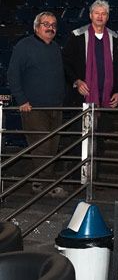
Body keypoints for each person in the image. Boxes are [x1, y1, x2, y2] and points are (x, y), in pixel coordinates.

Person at [8, 12, 66, 197]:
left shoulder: (55, 48)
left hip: (56, 107)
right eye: (46, 24)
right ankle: (49, 185)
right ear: (36, 27)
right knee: (42, 148)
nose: (50, 27)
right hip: (34, 108)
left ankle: (37, 182)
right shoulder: (24, 46)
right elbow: (13, 74)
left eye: (53, 25)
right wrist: (21, 99)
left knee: (51, 147)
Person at [63, 0, 118, 109]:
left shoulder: (114, 38)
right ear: (90, 15)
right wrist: (77, 81)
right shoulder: (77, 36)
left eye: (103, 14)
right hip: (83, 97)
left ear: (107, 17)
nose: (100, 16)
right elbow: (65, 63)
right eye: (96, 13)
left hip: (109, 97)